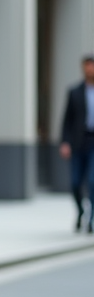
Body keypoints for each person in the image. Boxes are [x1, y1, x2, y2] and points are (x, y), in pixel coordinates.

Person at [59, 54, 94, 233]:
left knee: (92, 181)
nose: (90, 69)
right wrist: (64, 142)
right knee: (74, 182)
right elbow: (67, 119)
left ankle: (92, 219)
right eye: (87, 66)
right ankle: (81, 211)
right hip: (78, 142)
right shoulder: (75, 91)